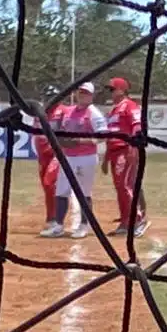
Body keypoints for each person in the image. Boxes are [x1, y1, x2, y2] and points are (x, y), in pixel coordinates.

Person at [43, 81, 108, 240]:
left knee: (84, 193)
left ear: (91, 96)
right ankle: (58, 225)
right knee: (61, 191)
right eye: (80, 92)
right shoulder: (69, 111)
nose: (82, 95)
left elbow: (103, 136)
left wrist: (79, 141)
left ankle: (84, 225)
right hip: (67, 157)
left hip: (86, 157)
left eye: (85, 93)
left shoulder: (94, 113)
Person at [105, 76, 150, 238]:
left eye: (112, 89)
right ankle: (125, 221)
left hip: (126, 150)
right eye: (109, 90)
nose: (110, 93)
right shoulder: (113, 109)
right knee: (120, 188)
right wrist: (106, 157)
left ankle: (138, 220)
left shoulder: (130, 106)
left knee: (126, 186)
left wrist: (134, 148)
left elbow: (137, 126)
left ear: (122, 90)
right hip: (114, 152)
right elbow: (110, 134)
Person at [31, 85, 62, 237]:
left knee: (50, 183)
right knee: (46, 186)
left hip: (56, 153)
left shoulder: (62, 112)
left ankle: (56, 219)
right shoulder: (39, 113)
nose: (50, 99)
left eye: (53, 96)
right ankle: (50, 217)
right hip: (42, 155)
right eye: (47, 96)